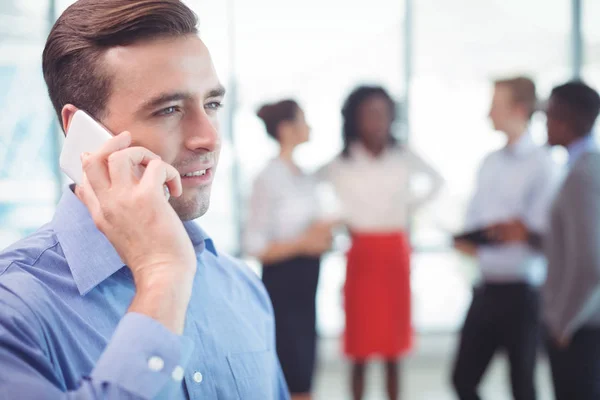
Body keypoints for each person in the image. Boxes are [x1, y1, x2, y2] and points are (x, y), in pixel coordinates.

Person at [0, 1, 288, 399]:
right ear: (81, 130)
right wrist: (161, 277)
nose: (208, 137)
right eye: (168, 109)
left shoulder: (242, 288)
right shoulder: (13, 308)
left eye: (212, 104)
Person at [319, 85, 444, 400]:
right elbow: (310, 190)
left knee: (393, 346)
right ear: (355, 118)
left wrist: (407, 208)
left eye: (382, 114)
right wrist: (338, 220)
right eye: (369, 114)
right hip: (362, 254)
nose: (376, 121)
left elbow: (437, 182)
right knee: (359, 346)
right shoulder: (341, 162)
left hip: (394, 253)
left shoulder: (403, 155)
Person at [451, 77, 558, 400]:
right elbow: (479, 227)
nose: (488, 113)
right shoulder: (489, 163)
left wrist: (515, 232)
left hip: (524, 294)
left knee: (522, 385)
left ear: (519, 109)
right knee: (462, 380)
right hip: (486, 288)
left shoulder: (543, 164)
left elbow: (535, 231)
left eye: (495, 105)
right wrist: (496, 233)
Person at [244, 99, 334, 400]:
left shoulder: (304, 175)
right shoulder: (268, 177)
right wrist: (303, 243)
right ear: (286, 129)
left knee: (305, 375)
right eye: (303, 120)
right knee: (293, 375)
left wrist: (321, 235)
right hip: (284, 287)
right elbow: (254, 244)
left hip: (308, 288)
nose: (309, 127)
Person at [543, 81, 600, 400]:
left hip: (581, 325)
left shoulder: (583, 174)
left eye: (549, 115)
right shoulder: (579, 168)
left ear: (566, 119)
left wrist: (564, 322)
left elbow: (591, 262)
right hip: (581, 320)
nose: (545, 124)